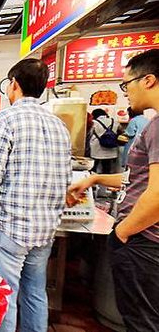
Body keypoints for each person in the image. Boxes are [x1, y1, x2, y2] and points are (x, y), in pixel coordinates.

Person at [0, 58, 72, 332]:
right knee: (36, 293)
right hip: (45, 229)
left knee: (3, 294)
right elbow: (64, 177)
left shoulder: (5, 119)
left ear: (13, 85)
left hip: (10, 229)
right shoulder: (59, 124)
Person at [68, 49, 159, 331]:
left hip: (144, 242)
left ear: (149, 80)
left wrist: (123, 232)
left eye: (126, 84)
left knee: (142, 322)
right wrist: (95, 179)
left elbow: (156, 195)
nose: (125, 92)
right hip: (145, 239)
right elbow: (138, 179)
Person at [90, 108, 119, 174]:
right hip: (111, 147)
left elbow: (90, 133)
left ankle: (93, 180)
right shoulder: (114, 121)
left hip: (97, 148)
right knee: (107, 167)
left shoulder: (94, 122)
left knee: (93, 166)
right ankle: (105, 182)